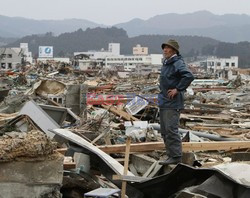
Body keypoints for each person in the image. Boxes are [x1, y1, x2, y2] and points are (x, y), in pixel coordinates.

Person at [158, 39, 194, 165]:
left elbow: (188, 76)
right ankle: (170, 155)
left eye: (167, 48)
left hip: (172, 103)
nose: (165, 50)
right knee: (164, 131)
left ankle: (176, 156)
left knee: (171, 130)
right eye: (164, 48)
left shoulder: (177, 63)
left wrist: (178, 89)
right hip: (164, 102)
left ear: (174, 50)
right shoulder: (167, 63)